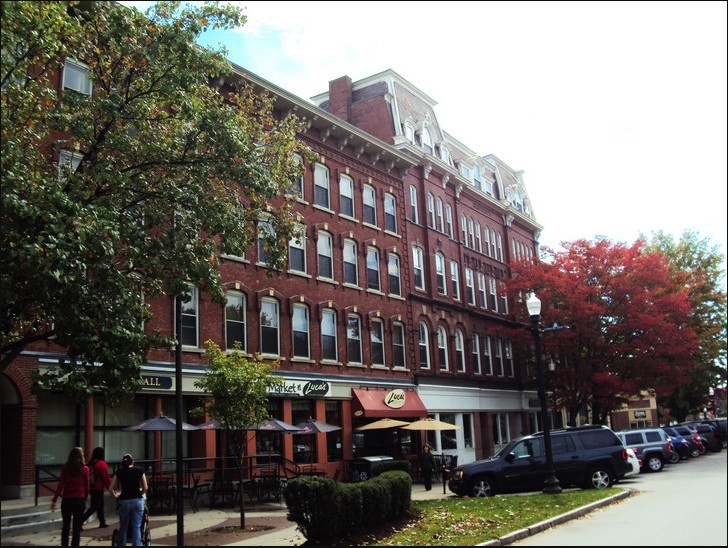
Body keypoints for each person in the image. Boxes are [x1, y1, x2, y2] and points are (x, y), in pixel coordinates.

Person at [50, 447, 90, 547]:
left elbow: (60, 485)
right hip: (79, 500)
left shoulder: (65, 468)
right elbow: (87, 485)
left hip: (67, 499)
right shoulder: (84, 469)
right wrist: (85, 496)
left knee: (66, 527)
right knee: (76, 528)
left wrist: (54, 500)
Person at [110, 453, 148, 547]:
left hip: (124, 501)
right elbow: (145, 487)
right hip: (137, 500)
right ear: (133, 462)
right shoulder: (139, 471)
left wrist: (116, 496)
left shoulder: (119, 472)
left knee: (123, 527)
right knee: (136, 527)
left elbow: (110, 489)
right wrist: (140, 494)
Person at [81, 447, 112, 528]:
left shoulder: (91, 463)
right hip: (98, 487)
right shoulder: (101, 464)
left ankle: (102, 522)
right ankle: (79, 521)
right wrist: (110, 487)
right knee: (95, 506)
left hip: (91, 487)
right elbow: (106, 477)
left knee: (99, 505)